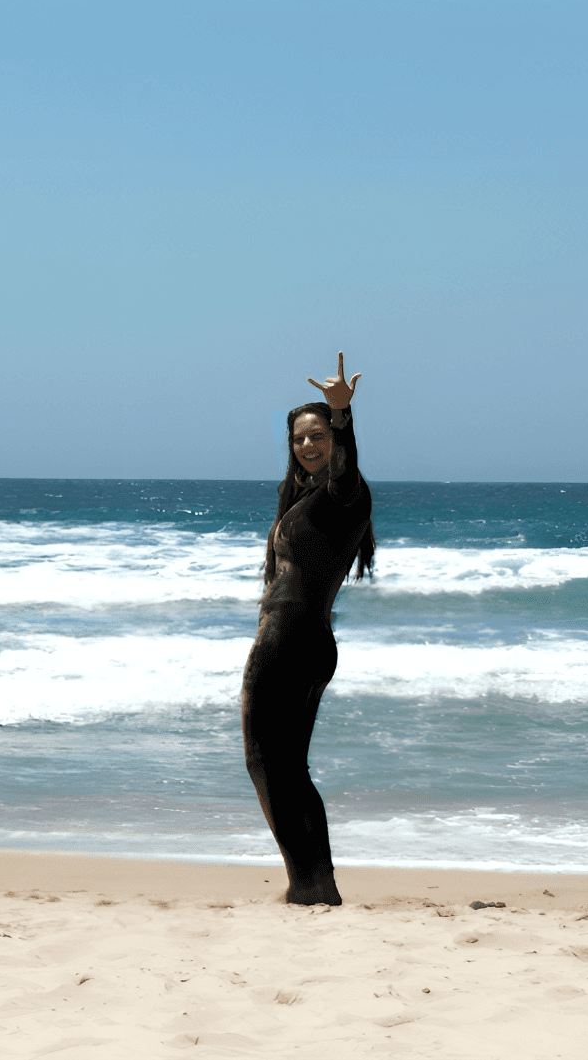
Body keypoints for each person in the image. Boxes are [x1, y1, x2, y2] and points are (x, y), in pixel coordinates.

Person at [241, 353, 375, 906]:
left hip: (291, 641)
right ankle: (317, 884)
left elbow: (345, 470)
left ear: (335, 440)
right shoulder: (305, 499)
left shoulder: (344, 494)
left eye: (318, 435)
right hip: (304, 639)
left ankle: (308, 884)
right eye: (299, 438)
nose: (307, 445)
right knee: (287, 767)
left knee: (267, 764)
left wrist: (344, 415)